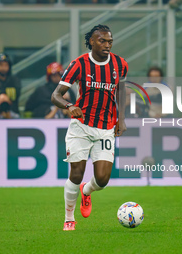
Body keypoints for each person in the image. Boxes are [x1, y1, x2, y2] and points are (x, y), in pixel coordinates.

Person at [51, 24, 128, 231]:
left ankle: (86, 191)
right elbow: (56, 95)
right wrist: (70, 106)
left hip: (105, 127)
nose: (107, 45)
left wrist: (121, 118)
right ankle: (69, 218)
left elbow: (122, 90)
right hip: (81, 126)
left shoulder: (120, 64)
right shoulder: (79, 64)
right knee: (76, 173)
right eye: (102, 41)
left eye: (110, 41)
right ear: (92, 41)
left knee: (102, 180)